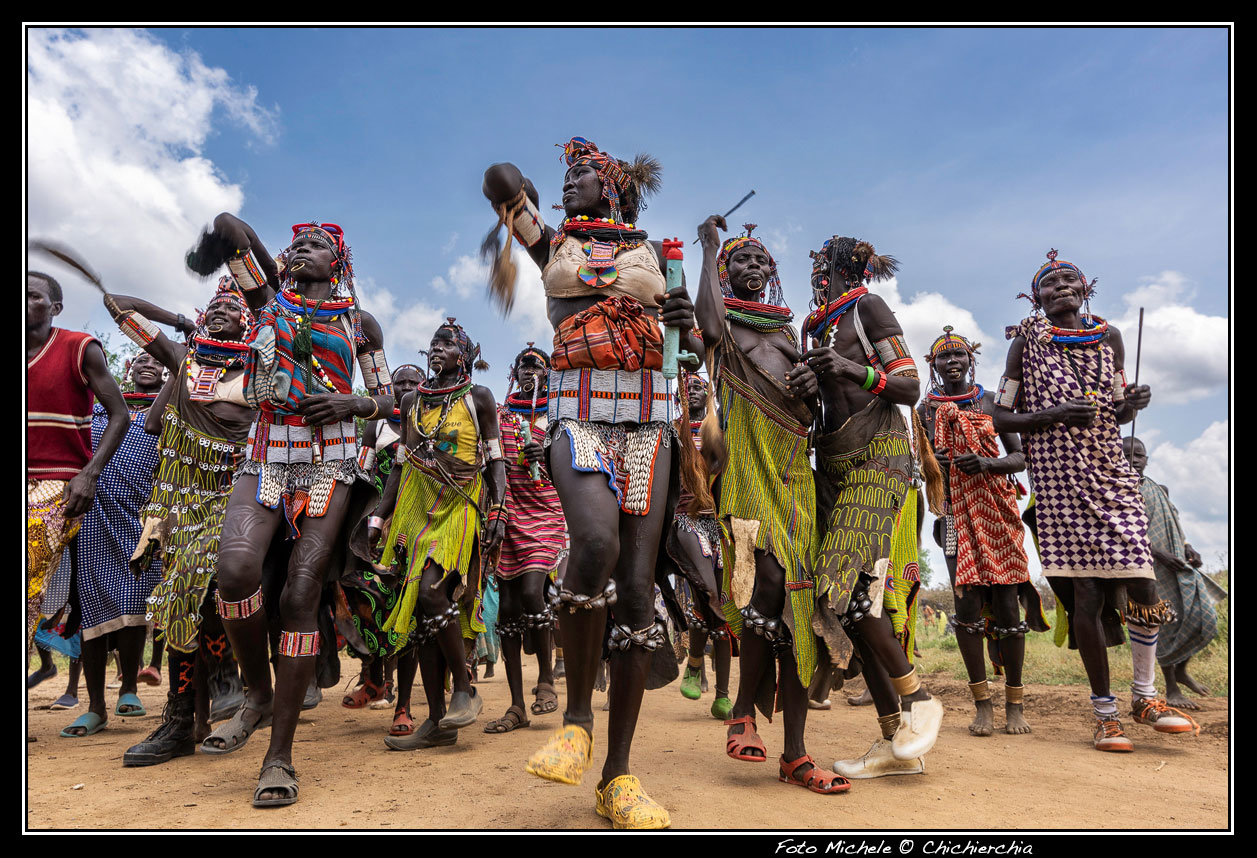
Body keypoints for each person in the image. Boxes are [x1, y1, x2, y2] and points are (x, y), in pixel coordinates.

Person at [480, 136, 698, 829]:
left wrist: (687, 330)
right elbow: (500, 179)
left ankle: (618, 777)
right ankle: (576, 721)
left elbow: (689, 352)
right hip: (577, 416)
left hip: (650, 422)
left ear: (614, 188)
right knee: (596, 543)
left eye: (581, 175)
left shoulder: (657, 255)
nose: (567, 183)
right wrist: (517, 193)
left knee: (635, 592)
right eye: (565, 176)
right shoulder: (554, 244)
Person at [188, 215, 395, 806]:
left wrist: (355, 402)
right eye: (297, 242)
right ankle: (257, 692)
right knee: (234, 572)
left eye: (318, 244)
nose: (303, 247)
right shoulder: (268, 303)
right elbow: (238, 237)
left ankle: (279, 756)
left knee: (300, 595)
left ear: (339, 263)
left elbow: (392, 400)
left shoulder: (359, 323)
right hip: (265, 457)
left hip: (331, 463)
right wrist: (231, 231)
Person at [994, 249, 1193, 751]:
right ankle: (1105, 714)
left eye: (1069, 279)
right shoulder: (1025, 343)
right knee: (1087, 594)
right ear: (1036, 297)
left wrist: (1133, 404)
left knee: (1143, 580)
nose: (1060, 285)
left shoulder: (1110, 337)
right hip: (1059, 479)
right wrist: (1055, 414)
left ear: (1085, 289)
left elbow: (1117, 411)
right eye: (1049, 282)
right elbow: (1001, 416)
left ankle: (1145, 696)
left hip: (1111, 471)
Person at [693, 219, 851, 796]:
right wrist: (709, 248)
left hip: (791, 471)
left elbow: (816, 412)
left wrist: (811, 387)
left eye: (762, 260)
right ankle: (741, 712)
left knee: (798, 605)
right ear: (725, 272)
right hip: (745, 465)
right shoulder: (722, 325)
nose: (754, 267)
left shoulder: (788, 333)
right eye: (742, 260)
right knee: (766, 580)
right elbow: (708, 327)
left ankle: (796, 754)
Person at [798, 235, 946, 780]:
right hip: (832, 463)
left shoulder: (867, 308)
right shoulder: (815, 328)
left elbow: (908, 386)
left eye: (821, 267)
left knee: (851, 587)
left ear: (831, 268)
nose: (818, 276)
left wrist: (850, 369)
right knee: (846, 603)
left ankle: (920, 700)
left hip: (880, 455)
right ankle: (892, 742)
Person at [98, 277, 255, 765]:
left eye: (232, 307)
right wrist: (182, 323)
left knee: (208, 582)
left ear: (249, 322)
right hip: (176, 500)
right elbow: (118, 305)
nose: (221, 311)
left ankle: (228, 677)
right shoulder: (183, 360)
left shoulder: (261, 367)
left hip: (234, 493)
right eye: (214, 306)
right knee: (174, 601)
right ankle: (181, 719)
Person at [365, 319, 505, 750]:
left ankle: (464, 688)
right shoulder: (412, 401)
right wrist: (378, 520)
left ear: (464, 355)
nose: (437, 349)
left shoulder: (479, 398)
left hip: (459, 503)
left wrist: (498, 513)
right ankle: (437, 723)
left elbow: (495, 462)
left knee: (431, 590)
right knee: (422, 618)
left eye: (447, 344)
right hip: (414, 505)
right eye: (433, 344)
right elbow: (401, 464)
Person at [917, 327, 1046, 737]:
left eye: (959, 355)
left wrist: (987, 464)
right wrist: (933, 463)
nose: (952, 361)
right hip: (953, 514)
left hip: (997, 510)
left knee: (1008, 607)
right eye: (944, 357)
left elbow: (1020, 457)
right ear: (934, 365)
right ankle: (982, 705)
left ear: (970, 360)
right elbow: (916, 463)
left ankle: (1015, 705)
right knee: (967, 607)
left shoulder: (991, 402)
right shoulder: (925, 411)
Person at [55, 352, 167, 737]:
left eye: (156, 362)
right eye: (141, 361)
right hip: (91, 519)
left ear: (165, 373)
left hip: (145, 520)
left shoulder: (167, 415)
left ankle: (129, 688)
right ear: (128, 370)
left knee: (136, 597)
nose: (148, 365)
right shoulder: (99, 410)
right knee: (90, 607)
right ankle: (95, 707)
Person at [27, 270, 129, 665]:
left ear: (55, 307)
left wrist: (89, 474)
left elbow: (119, 415)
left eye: (33, 296)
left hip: (57, 481)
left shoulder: (79, 347)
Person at [483, 344, 566, 734]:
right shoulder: (500, 415)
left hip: (548, 510)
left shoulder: (560, 413)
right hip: (509, 511)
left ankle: (546, 678)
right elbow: (490, 461)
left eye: (537, 366)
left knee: (533, 591)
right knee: (508, 611)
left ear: (547, 375)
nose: (529, 371)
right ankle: (517, 705)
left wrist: (545, 456)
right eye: (523, 366)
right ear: (513, 374)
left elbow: (574, 463)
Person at [339, 363, 423, 711]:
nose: (405, 387)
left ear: (423, 385)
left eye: (413, 382)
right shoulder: (377, 425)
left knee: (407, 607)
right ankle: (374, 681)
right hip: (377, 522)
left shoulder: (428, 421)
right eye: (399, 382)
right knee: (369, 602)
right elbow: (363, 470)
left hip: (417, 522)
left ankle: (402, 703)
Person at [1123, 436, 1220, 711]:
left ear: (1147, 459)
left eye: (1139, 455)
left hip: (1176, 563)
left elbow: (1174, 521)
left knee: (1204, 617)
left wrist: (1188, 547)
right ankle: (1172, 688)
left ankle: (1181, 670)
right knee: (1163, 625)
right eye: (1126, 455)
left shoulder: (1159, 489)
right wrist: (1160, 554)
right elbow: (1125, 534)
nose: (1133, 460)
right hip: (1146, 567)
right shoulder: (1117, 490)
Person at [669, 372, 736, 721]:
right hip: (686, 520)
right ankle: (695, 664)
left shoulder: (721, 430)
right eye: (687, 387)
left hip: (720, 524)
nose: (693, 391)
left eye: (699, 387)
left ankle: (719, 691)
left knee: (716, 605)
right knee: (710, 593)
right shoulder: (671, 431)